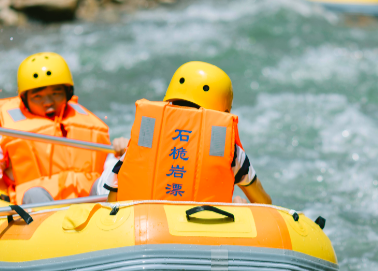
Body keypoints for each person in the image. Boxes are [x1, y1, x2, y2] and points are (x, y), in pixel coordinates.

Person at [0, 52, 127, 204]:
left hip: (90, 206)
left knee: (104, 186)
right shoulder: (10, 134)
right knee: (34, 194)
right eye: (38, 96)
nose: (48, 102)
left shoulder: (90, 126)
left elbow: (112, 173)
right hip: (42, 210)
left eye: (56, 93)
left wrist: (124, 151)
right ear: (24, 99)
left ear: (68, 93)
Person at [101, 61, 272, 205]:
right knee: (239, 203)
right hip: (203, 234)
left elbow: (113, 201)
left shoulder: (144, 139)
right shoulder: (230, 151)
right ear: (223, 111)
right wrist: (243, 210)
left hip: (142, 232)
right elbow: (265, 205)